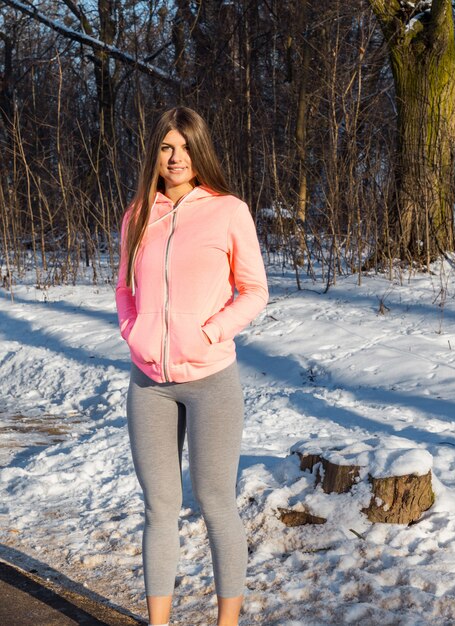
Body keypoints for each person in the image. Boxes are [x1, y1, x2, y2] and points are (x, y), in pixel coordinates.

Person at [115, 106, 268, 626]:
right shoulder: (137, 213)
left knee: (214, 501)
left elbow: (254, 291)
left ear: (199, 152)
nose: (175, 158)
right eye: (166, 147)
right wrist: (132, 333)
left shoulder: (228, 211)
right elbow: (123, 288)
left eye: (184, 147)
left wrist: (210, 332)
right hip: (148, 382)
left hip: (210, 381)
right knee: (159, 506)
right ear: (154, 154)